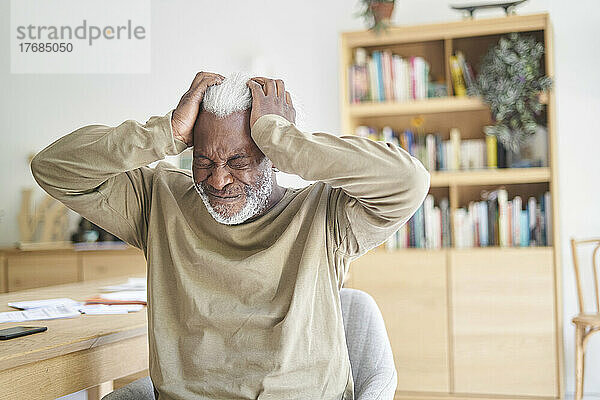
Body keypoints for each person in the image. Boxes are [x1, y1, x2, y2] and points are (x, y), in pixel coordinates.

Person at [30, 70, 430, 400]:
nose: (218, 180)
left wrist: (281, 137)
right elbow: (53, 168)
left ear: (272, 158)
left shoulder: (326, 215)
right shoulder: (160, 200)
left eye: (239, 160)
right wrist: (165, 133)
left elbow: (409, 180)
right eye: (203, 161)